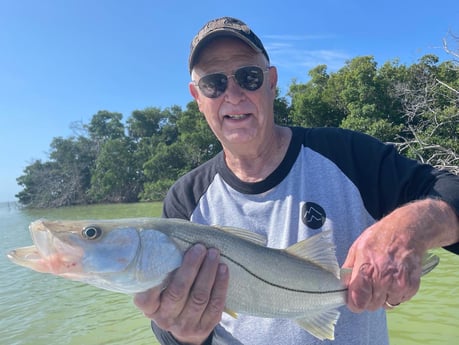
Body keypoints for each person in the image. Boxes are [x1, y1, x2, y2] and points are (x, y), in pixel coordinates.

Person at [134, 17, 459, 345]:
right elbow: (168, 330)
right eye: (214, 84)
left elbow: (451, 192)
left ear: (271, 82)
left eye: (249, 77)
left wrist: (409, 229)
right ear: (197, 97)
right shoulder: (185, 200)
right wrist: (182, 332)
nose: (232, 94)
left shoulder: (346, 155)